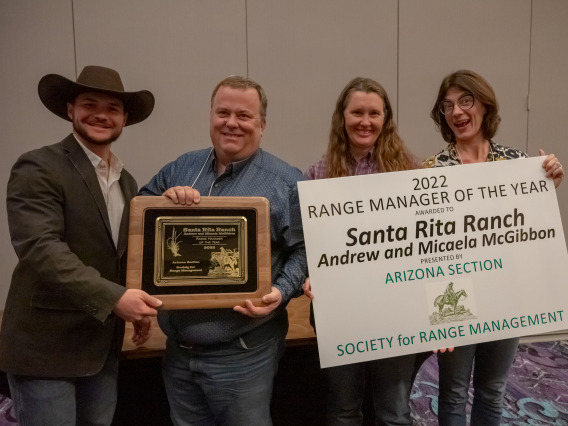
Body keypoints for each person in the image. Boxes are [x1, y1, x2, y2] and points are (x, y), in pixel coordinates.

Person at [138, 75, 307, 426]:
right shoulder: (181, 168)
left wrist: (280, 291)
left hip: (244, 355)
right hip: (179, 356)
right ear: (210, 116)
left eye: (244, 116)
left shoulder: (287, 182)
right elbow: (139, 214)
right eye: (223, 112)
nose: (232, 123)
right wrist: (162, 204)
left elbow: (305, 251)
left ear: (262, 125)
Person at [0, 65, 163, 425]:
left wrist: (132, 298)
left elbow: (122, 256)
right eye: (90, 104)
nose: (101, 115)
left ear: (124, 120)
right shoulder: (39, 166)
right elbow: (41, 248)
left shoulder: (127, 182)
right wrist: (115, 298)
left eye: (113, 109)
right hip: (45, 350)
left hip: (101, 347)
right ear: (70, 110)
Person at [424, 69, 564, 426]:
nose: (456, 112)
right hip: (454, 294)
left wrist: (549, 182)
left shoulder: (519, 165)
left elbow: (532, 226)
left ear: (484, 105)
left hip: (506, 290)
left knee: (492, 389)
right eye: (448, 106)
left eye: (465, 101)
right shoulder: (430, 171)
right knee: (453, 390)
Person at [303, 77, 420, 425]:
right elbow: (310, 243)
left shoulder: (409, 171)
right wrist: (310, 274)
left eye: (374, 113)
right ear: (342, 116)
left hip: (395, 310)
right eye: (357, 112)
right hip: (340, 312)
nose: (365, 121)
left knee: (394, 412)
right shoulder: (317, 174)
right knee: (343, 409)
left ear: (386, 119)